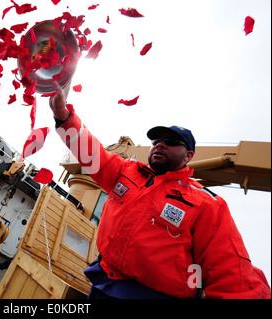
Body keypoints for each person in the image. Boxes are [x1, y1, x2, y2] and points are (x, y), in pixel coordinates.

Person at [48, 81, 271, 299]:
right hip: (104, 284)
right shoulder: (127, 171)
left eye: (171, 141)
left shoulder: (207, 203)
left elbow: (229, 272)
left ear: (188, 156)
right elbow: (91, 153)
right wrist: (62, 114)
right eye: (157, 139)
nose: (160, 144)